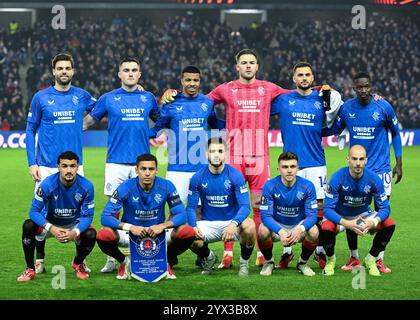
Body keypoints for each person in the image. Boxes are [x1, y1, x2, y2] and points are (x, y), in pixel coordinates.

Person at [164, 49, 290, 268]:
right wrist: (172, 93)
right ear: (237, 67)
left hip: (260, 157)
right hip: (233, 157)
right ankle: (227, 254)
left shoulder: (268, 88)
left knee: (258, 205)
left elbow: (296, 93)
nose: (248, 66)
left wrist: (324, 90)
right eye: (244, 62)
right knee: (231, 205)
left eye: (252, 62)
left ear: (257, 66)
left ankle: (261, 253)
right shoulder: (226, 89)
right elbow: (200, 101)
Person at [83, 57, 159, 273]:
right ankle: (112, 258)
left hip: (142, 165)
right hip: (115, 163)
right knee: (112, 212)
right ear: (119, 74)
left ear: (140, 74)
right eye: (126, 70)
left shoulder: (148, 98)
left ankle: (145, 253)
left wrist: (150, 133)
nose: (130, 73)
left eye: (134, 70)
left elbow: (161, 119)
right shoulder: (109, 98)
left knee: (143, 209)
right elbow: (88, 122)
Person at [25, 53, 97, 274]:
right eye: (60, 68)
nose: (64, 71)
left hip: (75, 164)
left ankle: (79, 260)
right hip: (46, 164)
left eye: (68, 68)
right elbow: (30, 129)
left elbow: (102, 108)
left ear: (73, 71)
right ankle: (40, 258)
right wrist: (32, 162)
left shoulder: (82, 96)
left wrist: (83, 124)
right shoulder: (41, 97)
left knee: (76, 212)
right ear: (53, 71)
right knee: (42, 213)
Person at [270, 62, 343, 269]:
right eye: (300, 75)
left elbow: (330, 126)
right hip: (291, 163)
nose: (304, 78)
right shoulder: (284, 100)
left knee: (318, 207)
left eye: (307, 75)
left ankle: (318, 250)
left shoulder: (321, 100)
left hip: (316, 162)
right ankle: (287, 251)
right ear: (293, 78)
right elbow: (260, 109)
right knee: (289, 206)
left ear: (313, 78)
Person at [332, 72, 402, 273]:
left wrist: (399, 163)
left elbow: (396, 133)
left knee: (382, 214)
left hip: (380, 169)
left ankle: (377, 258)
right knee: (351, 210)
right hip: (356, 169)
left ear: (371, 86)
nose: (363, 90)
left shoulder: (383, 106)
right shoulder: (347, 108)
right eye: (359, 87)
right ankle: (354, 257)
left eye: (366, 86)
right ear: (353, 88)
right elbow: (335, 128)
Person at [96, 154, 196, 280]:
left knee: (187, 232)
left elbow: (182, 215)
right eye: (143, 169)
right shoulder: (126, 187)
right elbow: (105, 217)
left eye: (151, 169)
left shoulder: (166, 186)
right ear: (136, 170)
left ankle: (166, 261)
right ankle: (123, 261)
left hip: (158, 233)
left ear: (156, 170)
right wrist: (130, 227)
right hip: (130, 234)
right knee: (103, 235)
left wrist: (162, 226)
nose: (147, 173)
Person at [17, 151, 96, 282]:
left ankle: (78, 263)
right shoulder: (47, 184)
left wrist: (74, 232)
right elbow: (33, 212)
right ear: (58, 167)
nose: (69, 170)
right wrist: (52, 228)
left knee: (91, 234)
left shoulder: (87, 186)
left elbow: (88, 216)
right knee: (28, 225)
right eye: (64, 166)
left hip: (72, 225)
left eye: (72, 166)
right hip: (50, 225)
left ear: (77, 167)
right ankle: (30, 269)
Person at [321, 145, 396, 276]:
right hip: (341, 216)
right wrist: (346, 223)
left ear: (366, 160)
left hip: (363, 215)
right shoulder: (337, 178)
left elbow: (385, 207)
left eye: (361, 159)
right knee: (326, 227)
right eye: (354, 159)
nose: (358, 163)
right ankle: (331, 261)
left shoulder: (374, 179)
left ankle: (371, 258)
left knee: (389, 224)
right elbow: (327, 209)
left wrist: (373, 222)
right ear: (348, 159)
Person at [186, 137, 256, 277]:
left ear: (225, 154)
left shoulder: (235, 175)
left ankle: (244, 264)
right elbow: (190, 208)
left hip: (232, 223)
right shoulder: (197, 177)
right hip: (209, 223)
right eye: (212, 151)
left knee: (250, 226)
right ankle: (209, 257)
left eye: (220, 151)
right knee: (187, 234)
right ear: (206, 154)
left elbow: (245, 207)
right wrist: (193, 226)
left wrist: (233, 224)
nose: (216, 155)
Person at [258, 151, 319, 277]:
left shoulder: (307, 186)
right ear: (279, 169)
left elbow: (312, 215)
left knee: (314, 232)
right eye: (285, 167)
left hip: (298, 225)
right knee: (262, 230)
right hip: (278, 225)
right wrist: (280, 231)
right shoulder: (269, 186)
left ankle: (302, 263)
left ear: (298, 168)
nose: (289, 170)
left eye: (292, 166)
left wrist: (299, 229)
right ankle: (269, 262)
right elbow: (265, 216)